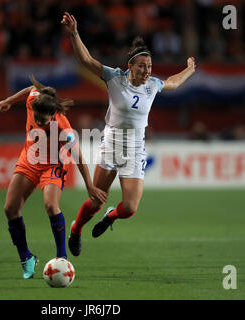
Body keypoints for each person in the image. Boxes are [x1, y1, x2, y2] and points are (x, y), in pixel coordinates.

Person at [61, 12, 196, 256]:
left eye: (150, 66)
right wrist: (74, 34)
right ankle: (77, 228)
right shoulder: (114, 78)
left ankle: (110, 217)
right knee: (94, 201)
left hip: (135, 149)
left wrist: (189, 69)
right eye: (142, 66)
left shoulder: (153, 85)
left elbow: (173, 82)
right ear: (130, 66)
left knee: (130, 208)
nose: (147, 71)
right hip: (111, 144)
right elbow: (86, 60)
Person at [0, 76, 107, 279]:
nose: (38, 122)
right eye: (36, 118)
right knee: (10, 208)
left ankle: (62, 258)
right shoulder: (34, 101)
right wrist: (9, 101)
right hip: (29, 160)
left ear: (53, 115)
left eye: (43, 120)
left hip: (53, 165)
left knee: (50, 205)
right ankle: (26, 258)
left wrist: (90, 186)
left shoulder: (63, 128)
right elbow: (31, 87)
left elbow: (79, 156)